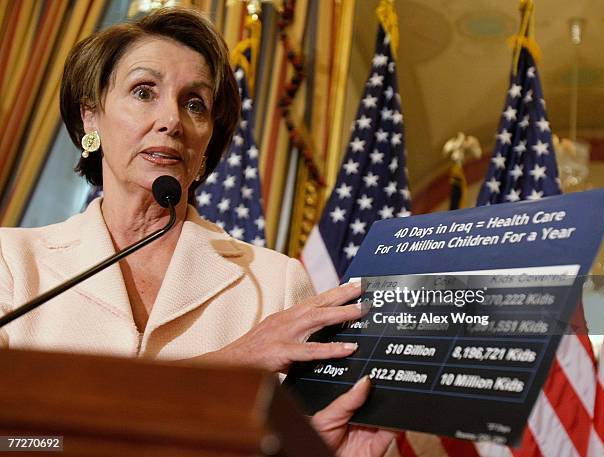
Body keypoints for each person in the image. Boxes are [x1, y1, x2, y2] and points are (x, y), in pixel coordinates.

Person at [0, 7, 394, 455]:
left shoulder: (276, 283)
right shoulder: (11, 262)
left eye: (194, 104)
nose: (171, 120)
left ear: (206, 142)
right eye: (144, 91)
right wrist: (236, 361)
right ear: (91, 116)